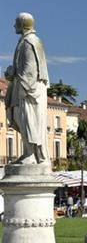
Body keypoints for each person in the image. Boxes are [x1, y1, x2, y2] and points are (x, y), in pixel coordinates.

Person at [4, 12, 49, 165]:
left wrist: (19, 79)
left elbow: (30, 69)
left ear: (23, 24)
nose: (13, 26)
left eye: (16, 22)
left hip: (30, 90)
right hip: (23, 87)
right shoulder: (24, 41)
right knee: (19, 118)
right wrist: (13, 74)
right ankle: (28, 152)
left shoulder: (30, 42)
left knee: (29, 120)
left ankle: (31, 154)